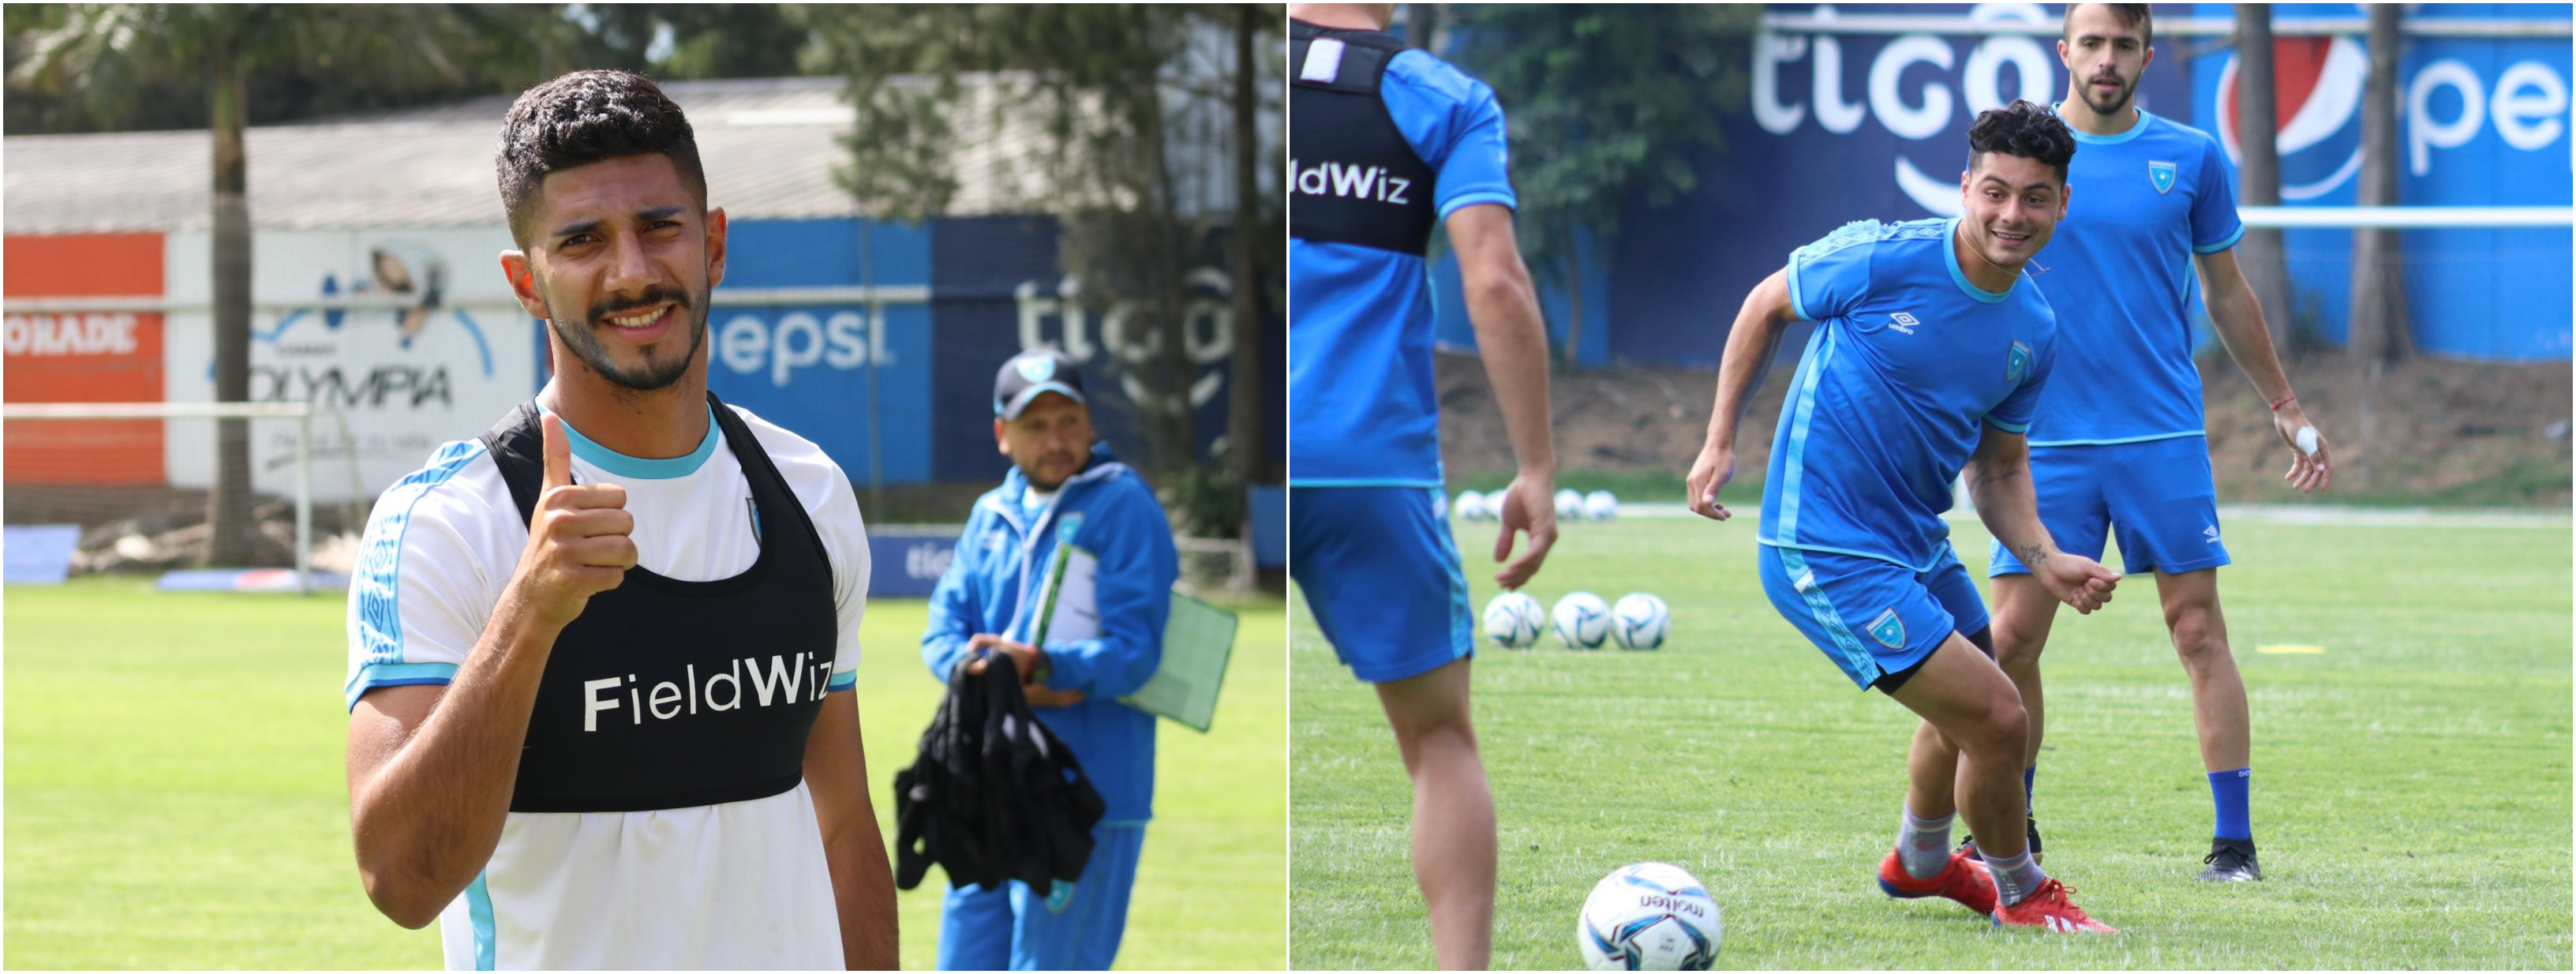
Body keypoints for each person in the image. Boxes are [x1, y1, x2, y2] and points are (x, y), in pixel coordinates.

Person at [342, 70, 897, 969]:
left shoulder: (808, 490)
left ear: (713, 244)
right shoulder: (452, 521)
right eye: (584, 241)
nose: (633, 271)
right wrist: (527, 618)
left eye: (659, 227)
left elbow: (840, 826)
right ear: (527, 282)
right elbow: (401, 882)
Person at [1687, 101, 2120, 934]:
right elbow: (1763, 306)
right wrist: (1717, 442)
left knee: (1970, 703)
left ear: (2062, 204)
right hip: (1823, 547)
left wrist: (2044, 556)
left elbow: (1996, 468)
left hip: (1916, 545)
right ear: (1965, 187)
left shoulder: (2034, 327)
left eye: (2035, 198)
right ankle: (2024, 893)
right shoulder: (1884, 255)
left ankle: (1920, 861)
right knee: (1998, 717)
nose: (2011, 215)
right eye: (1994, 192)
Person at [1971, 2, 2334, 882]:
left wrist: (2283, 402)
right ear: (2064, 50)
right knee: (2012, 638)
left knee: (2198, 628)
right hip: (2041, 439)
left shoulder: (2192, 157)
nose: (2105, 59)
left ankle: (2234, 845)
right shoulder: (2027, 157)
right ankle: (2011, 829)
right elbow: (1976, 270)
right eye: (2090, 42)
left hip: (2161, 435)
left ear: (2146, 55)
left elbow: (2227, 291)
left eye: (2122, 45)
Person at [1287, 3, 1558, 967]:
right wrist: (1535, 465)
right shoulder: (1439, 97)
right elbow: (1494, 281)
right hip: (1363, 460)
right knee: (1439, 740)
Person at [919, 348, 1179, 971]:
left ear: (1090, 423)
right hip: (989, 785)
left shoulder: (1123, 505)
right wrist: (979, 671)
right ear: (1003, 436)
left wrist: (1043, 667)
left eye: (1068, 421)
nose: (1056, 439)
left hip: (1083, 792)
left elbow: (1135, 652)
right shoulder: (990, 514)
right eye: (1036, 425)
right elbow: (941, 633)